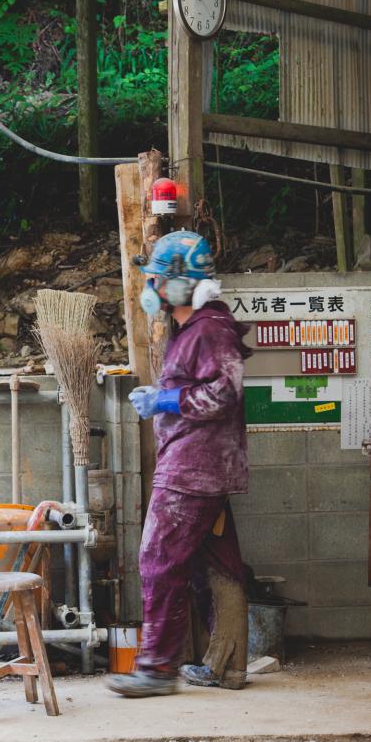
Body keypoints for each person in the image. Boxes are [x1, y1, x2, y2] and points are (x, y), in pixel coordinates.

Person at [106, 230, 251, 698]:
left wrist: (165, 400)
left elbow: (225, 392)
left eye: (155, 280)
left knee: (158, 561)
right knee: (221, 565)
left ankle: (156, 669)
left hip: (193, 469)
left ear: (179, 283)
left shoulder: (210, 329)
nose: (150, 287)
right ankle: (228, 667)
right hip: (200, 464)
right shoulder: (194, 329)